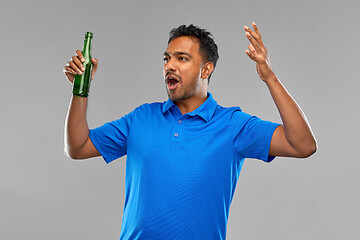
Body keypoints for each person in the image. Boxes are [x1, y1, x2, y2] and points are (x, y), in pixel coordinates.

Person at [63, 23, 317, 240]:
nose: (170, 66)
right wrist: (80, 90)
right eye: (167, 58)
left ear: (206, 69)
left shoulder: (232, 124)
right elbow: (78, 147)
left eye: (182, 58)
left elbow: (302, 145)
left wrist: (269, 78)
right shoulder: (141, 118)